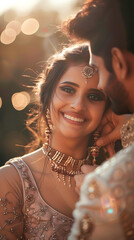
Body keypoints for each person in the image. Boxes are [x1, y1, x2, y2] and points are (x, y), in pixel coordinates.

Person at [0, 43, 114, 239]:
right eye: (68, 90)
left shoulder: (117, 175)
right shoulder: (11, 181)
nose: (78, 106)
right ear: (47, 95)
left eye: (94, 96)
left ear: (107, 109)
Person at [62, 0, 134, 239]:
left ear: (119, 63)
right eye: (67, 90)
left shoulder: (110, 184)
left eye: (99, 70)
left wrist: (98, 196)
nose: (101, 84)